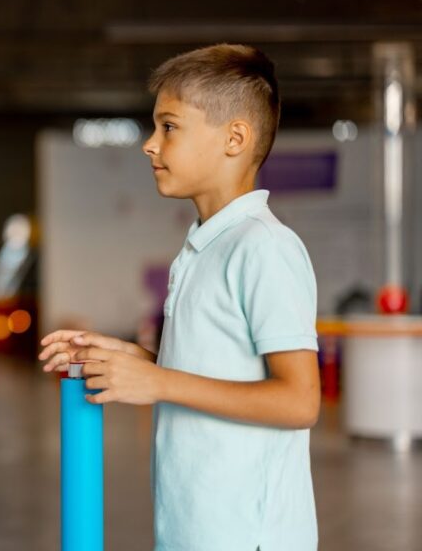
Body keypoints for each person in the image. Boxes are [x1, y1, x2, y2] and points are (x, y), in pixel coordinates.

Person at [40, 44, 320, 551]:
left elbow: (300, 400)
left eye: (168, 127)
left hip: (247, 536)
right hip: (195, 529)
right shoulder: (204, 244)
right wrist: (128, 359)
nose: (150, 144)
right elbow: (211, 370)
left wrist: (158, 379)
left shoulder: (264, 247)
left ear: (235, 138)